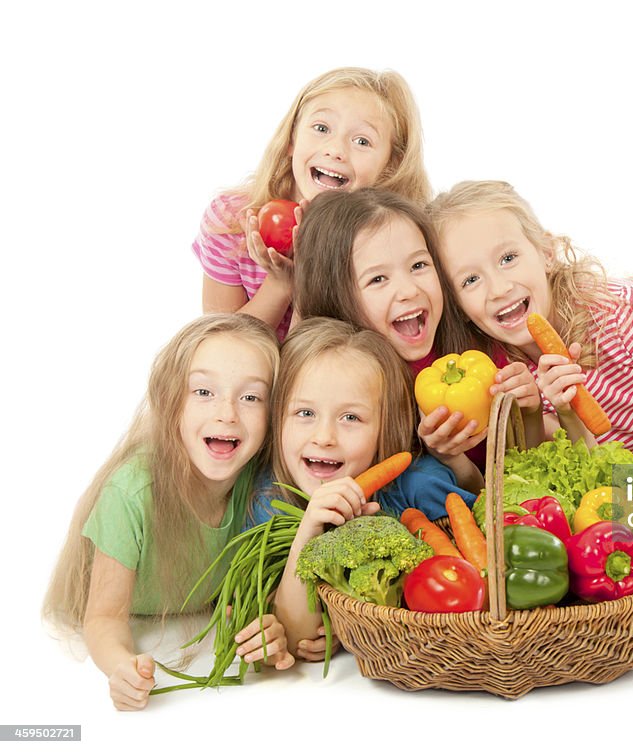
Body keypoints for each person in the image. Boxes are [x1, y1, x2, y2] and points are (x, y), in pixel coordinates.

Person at [43, 314, 290, 711]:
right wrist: (120, 666)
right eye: (204, 392)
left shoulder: (261, 487)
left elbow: (254, 593)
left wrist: (270, 626)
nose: (227, 412)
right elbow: (104, 617)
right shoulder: (131, 493)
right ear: (169, 400)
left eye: (251, 397)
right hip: (130, 612)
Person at [426, 180, 633, 458]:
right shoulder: (508, 376)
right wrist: (566, 411)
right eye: (470, 280)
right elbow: (592, 469)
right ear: (457, 306)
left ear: (547, 252)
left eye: (508, 258)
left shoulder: (620, 312)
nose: (498, 288)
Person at [250, 317, 476, 659]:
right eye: (305, 413)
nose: (324, 437)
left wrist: (358, 622)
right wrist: (309, 528)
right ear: (276, 418)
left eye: (350, 418)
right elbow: (300, 638)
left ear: (387, 429)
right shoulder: (269, 500)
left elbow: (476, 563)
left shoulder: (418, 487)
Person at [293, 189, 545, 488]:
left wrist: (530, 412)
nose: (409, 290)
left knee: (616, 494)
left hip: (509, 508)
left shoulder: (476, 355)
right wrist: (449, 458)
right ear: (335, 297)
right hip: (431, 517)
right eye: (377, 279)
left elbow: (523, 471)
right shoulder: (342, 388)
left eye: (418, 266)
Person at [193, 67, 430, 341]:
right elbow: (220, 349)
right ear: (292, 138)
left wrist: (308, 277)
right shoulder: (231, 221)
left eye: (362, 141)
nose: (336, 150)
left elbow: (320, 365)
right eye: (321, 128)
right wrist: (281, 285)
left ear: (390, 165)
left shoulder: (385, 243)